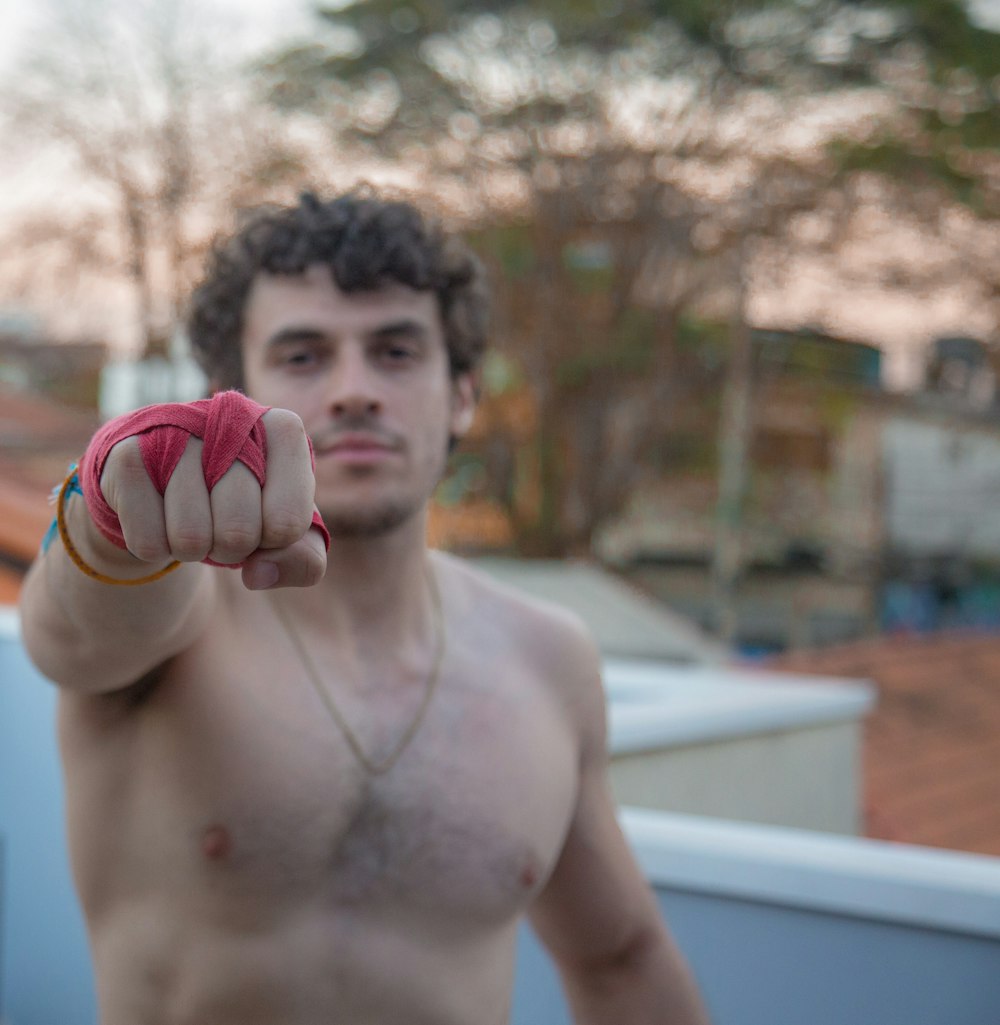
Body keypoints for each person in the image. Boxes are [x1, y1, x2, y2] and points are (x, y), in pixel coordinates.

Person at [19, 191, 711, 1025]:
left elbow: (621, 959)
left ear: (461, 395)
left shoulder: (548, 659)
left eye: (394, 350)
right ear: (232, 393)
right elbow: (73, 630)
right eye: (303, 356)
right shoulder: (177, 617)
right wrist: (113, 517)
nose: (353, 391)